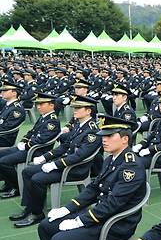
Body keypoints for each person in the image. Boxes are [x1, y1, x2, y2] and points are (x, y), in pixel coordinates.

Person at [30, 115, 146, 240]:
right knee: (46, 226)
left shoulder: (131, 166)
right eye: (103, 135)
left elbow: (113, 204)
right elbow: (93, 188)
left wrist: (78, 220)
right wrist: (67, 209)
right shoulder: (112, 159)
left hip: (115, 224)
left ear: (125, 139)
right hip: (100, 215)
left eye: (110, 135)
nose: (104, 139)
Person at [11, 96, 101, 228]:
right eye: (74, 107)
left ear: (88, 111)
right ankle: (29, 208)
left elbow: (80, 156)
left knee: (37, 179)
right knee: (27, 171)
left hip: (74, 169)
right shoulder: (79, 125)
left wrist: (55, 164)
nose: (74, 110)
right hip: (64, 163)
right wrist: (46, 157)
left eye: (78, 108)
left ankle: (37, 214)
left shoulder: (92, 131)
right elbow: (65, 146)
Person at [0, 92, 61, 198]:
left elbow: (42, 139)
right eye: (38, 104)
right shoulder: (43, 117)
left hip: (36, 151)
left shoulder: (52, 121)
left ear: (51, 105)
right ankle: (9, 183)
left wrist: (26, 145)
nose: (38, 106)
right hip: (29, 147)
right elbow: (32, 131)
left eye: (42, 104)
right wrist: (23, 140)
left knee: (4, 162)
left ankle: (17, 187)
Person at [0, 81, 27, 146]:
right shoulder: (7, 105)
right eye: (2, 90)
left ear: (14, 93)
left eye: (5, 91)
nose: (2, 92)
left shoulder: (17, 109)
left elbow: (7, 127)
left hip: (5, 138)